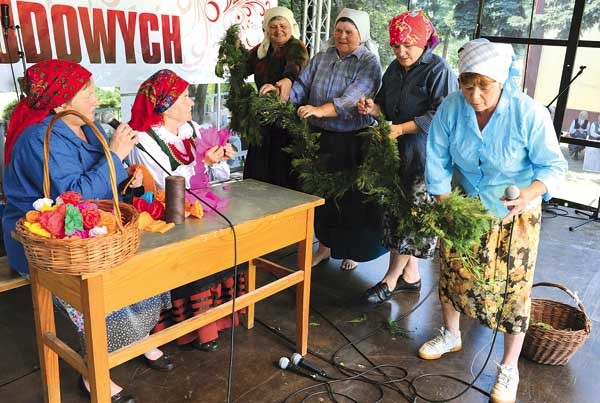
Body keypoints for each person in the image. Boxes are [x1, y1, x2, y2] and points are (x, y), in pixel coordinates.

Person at [2, 60, 174, 403]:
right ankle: (94, 370)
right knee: (89, 290)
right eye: (88, 92)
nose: (96, 99)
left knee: (142, 268)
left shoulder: (89, 127)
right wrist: (113, 155)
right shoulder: (39, 139)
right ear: (61, 101)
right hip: (48, 243)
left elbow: (106, 181)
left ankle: (136, 336)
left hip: (92, 236)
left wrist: (129, 177)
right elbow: (73, 200)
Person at [423, 39, 567, 403]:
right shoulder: (452, 108)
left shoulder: (528, 113)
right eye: (467, 85)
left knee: (512, 290)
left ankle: (508, 367)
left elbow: (554, 166)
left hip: (514, 211)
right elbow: (437, 153)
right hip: (463, 205)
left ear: (502, 81)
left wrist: (528, 194)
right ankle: (451, 333)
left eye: (483, 86)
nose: (474, 95)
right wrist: (444, 202)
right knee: (453, 271)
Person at [127, 69, 242, 353]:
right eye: (185, 98)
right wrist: (202, 161)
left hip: (201, 208)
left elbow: (215, 175)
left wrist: (217, 159)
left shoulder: (191, 129)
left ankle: (215, 318)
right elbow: (167, 189)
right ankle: (195, 327)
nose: (191, 103)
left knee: (221, 243)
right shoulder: (144, 140)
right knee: (192, 255)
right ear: (165, 105)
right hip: (165, 217)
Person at [264, 8, 385, 271]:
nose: (342, 36)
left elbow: (352, 99)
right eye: (338, 30)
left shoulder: (368, 62)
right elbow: (302, 86)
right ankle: (324, 248)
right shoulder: (322, 57)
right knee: (321, 198)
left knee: (350, 200)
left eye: (349, 32)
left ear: (360, 35)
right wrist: (280, 93)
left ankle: (350, 251)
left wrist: (319, 109)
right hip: (320, 138)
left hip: (352, 141)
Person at [357, 10, 458, 304]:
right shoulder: (394, 68)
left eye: (408, 46)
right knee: (397, 216)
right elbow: (384, 103)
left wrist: (400, 128)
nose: (401, 52)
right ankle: (410, 277)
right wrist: (371, 107)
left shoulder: (438, 70)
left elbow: (439, 114)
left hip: (425, 158)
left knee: (411, 221)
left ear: (424, 42)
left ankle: (390, 280)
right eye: (396, 46)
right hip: (396, 153)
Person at [244, 6, 309, 189]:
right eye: (273, 26)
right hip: (263, 118)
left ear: (291, 27)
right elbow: (243, 67)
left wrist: (286, 81)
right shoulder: (261, 50)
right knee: (259, 166)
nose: (278, 30)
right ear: (266, 28)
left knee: (281, 168)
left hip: (286, 117)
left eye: (283, 25)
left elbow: (295, 67)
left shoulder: (297, 46)